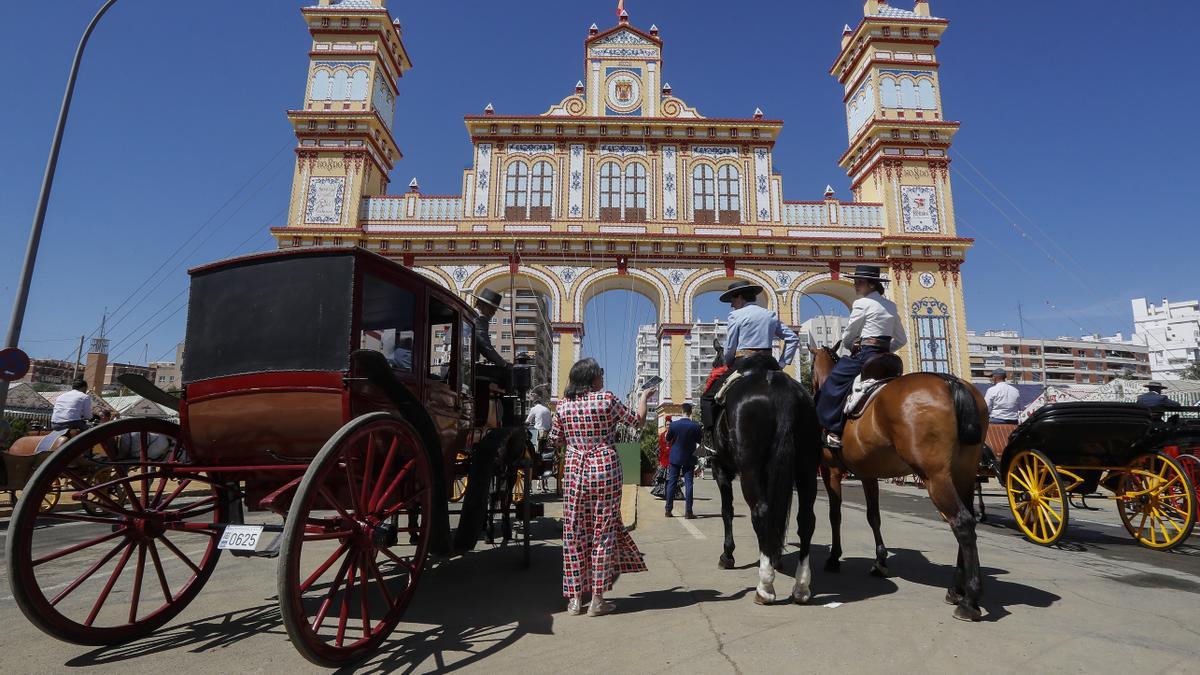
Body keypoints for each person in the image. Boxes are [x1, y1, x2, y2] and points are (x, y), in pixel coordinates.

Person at [548, 357, 654, 617]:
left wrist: (575, 440)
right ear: (591, 378)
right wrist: (644, 396)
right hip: (605, 468)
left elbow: (555, 440)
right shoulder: (606, 399)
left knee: (573, 532)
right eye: (600, 374)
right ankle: (597, 599)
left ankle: (574, 600)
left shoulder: (562, 406)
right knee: (602, 532)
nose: (603, 377)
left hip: (575, 470)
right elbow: (637, 421)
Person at [815, 265, 907, 448]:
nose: (855, 285)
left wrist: (850, 348)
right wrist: (887, 350)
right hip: (887, 358)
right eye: (855, 282)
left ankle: (833, 430)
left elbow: (849, 333)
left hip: (866, 354)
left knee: (833, 382)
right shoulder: (890, 305)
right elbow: (902, 339)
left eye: (860, 282)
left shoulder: (861, 303)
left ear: (872, 285)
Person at [700, 280, 800, 432]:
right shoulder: (769, 314)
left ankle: (708, 442)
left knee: (707, 399)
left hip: (743, 363)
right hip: (769, 364)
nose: (731, 304)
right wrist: (781, 364)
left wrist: (728, 362)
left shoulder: (736, 315)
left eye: (732, 299)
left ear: (740, 297)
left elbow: (730, 348)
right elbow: (793, 338)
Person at [664, 403, 703, 518]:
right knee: (689, 484)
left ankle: (668, 510)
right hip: (689, 458)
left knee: (672, 483)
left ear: (682, 411)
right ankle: (688, 512)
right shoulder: (696, 426)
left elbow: (667, 439)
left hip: (675, 457)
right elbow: (699, 441)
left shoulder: (674, 425)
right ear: (690, 412)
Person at [473, 289, 511, 368]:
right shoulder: (479, 318)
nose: (493, 312)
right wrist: (504, 364)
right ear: (481, 304)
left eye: (495, 310)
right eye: (491, 308)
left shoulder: (470, 314)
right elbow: (485, 346)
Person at [526, 397, 553, 464]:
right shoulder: (547, 409)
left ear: (535, 404)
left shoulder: (534, 408)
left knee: (536, 446)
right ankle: (542, 458)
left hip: (539, 430)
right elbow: (550, 422)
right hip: (547, 430)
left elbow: (528, 420)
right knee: (543, 445)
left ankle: (536, 459)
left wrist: (525, 424)